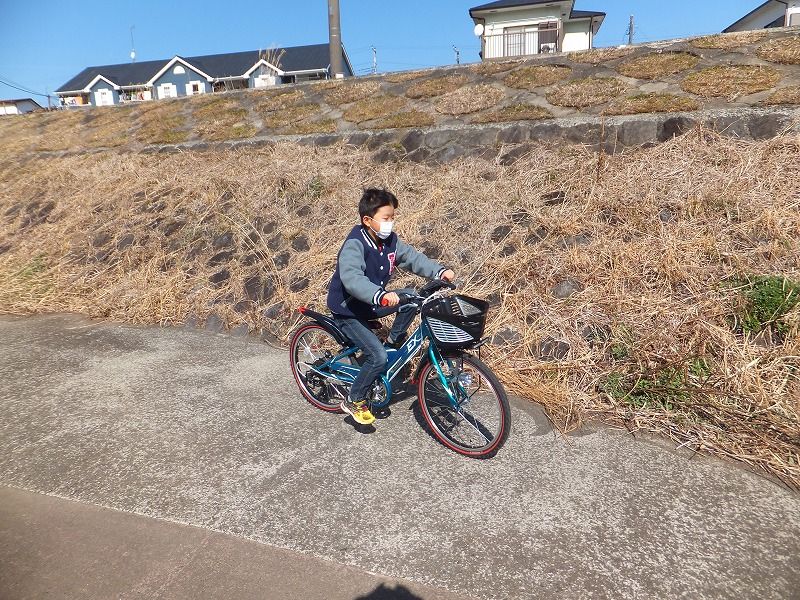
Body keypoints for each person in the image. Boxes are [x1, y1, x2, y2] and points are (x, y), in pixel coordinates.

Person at [327, 188, 455, 425]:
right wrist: (380, 295)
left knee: (411, 298)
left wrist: (439, 272)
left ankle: (393, 343)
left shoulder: (390, 241)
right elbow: (352, 278)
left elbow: (412, 258)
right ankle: (354, 399)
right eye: (386, 218)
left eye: (392, 217)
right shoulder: (355, 244)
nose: (390, 223)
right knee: (377, 356)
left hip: (373, 302)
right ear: (368, 220)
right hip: (349, 309)